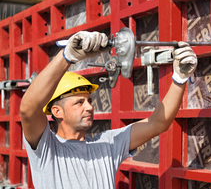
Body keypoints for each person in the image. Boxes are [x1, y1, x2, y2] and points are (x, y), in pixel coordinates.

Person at [20, 31, 197, 189]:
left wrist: (179, 79)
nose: (89, 107)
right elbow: (28, 110)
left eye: (89, 101)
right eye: (79, 103)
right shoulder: (46, 150)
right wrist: (67, 56)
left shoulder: (107, 144)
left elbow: (157, 123)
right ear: (57, 112)